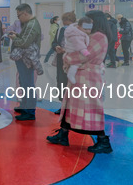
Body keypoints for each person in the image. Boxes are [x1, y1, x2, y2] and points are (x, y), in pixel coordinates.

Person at [47, 10, 113, 154]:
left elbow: (83, 56)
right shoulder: (91, 35)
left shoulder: (99, 37)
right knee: (70, 106)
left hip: (89, 79)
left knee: (92, 109)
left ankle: (103, 141)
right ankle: (63, 135)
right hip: (81, 77)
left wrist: (67, 57)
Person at [9, 3, 41, 121]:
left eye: (19, 16)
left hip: (27, 59)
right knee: (23, 82)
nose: (18, 18)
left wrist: (15, 38)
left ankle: (30, 111)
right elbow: (25, 39)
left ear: (25, 13)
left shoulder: (32, 25)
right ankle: (24, 105)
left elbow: (24, 43)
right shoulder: (28, 24)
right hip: (23, 59)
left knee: (28, 85)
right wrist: (18, 35)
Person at [52, 12, 77, 114]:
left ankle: (72, 107)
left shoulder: (77, 31)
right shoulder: (59, 30)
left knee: (71, 84)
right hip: (60, 60)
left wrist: (67, 49)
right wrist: (56, 47)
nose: (66, 24)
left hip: (72, 61)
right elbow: (54, 42)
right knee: (61, 83)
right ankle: (63, 106)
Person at [64, 17, 93, 85]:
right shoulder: (76, 35)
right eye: (85, 29)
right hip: (73, 52)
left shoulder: (79, 32)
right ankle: (71, 75)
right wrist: (87, 54)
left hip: (75, 51)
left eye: (89, 29)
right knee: (75, 64)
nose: (87, 31)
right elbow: (80, 46)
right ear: (79, 26)